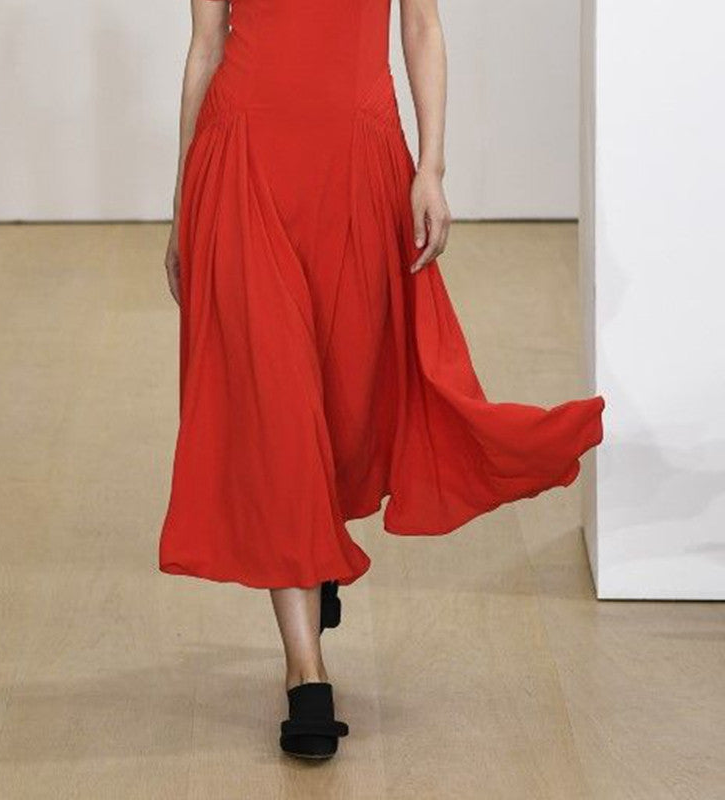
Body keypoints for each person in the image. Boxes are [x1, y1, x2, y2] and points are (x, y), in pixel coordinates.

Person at [159, 0, 605, 760]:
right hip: (241, 160)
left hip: (357, 162)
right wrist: (181, 202)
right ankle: (306, 672)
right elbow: (205, 44)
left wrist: (431, 167)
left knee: (350, 390)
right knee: (275, 409)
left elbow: (421, 25)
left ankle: (319, 543)